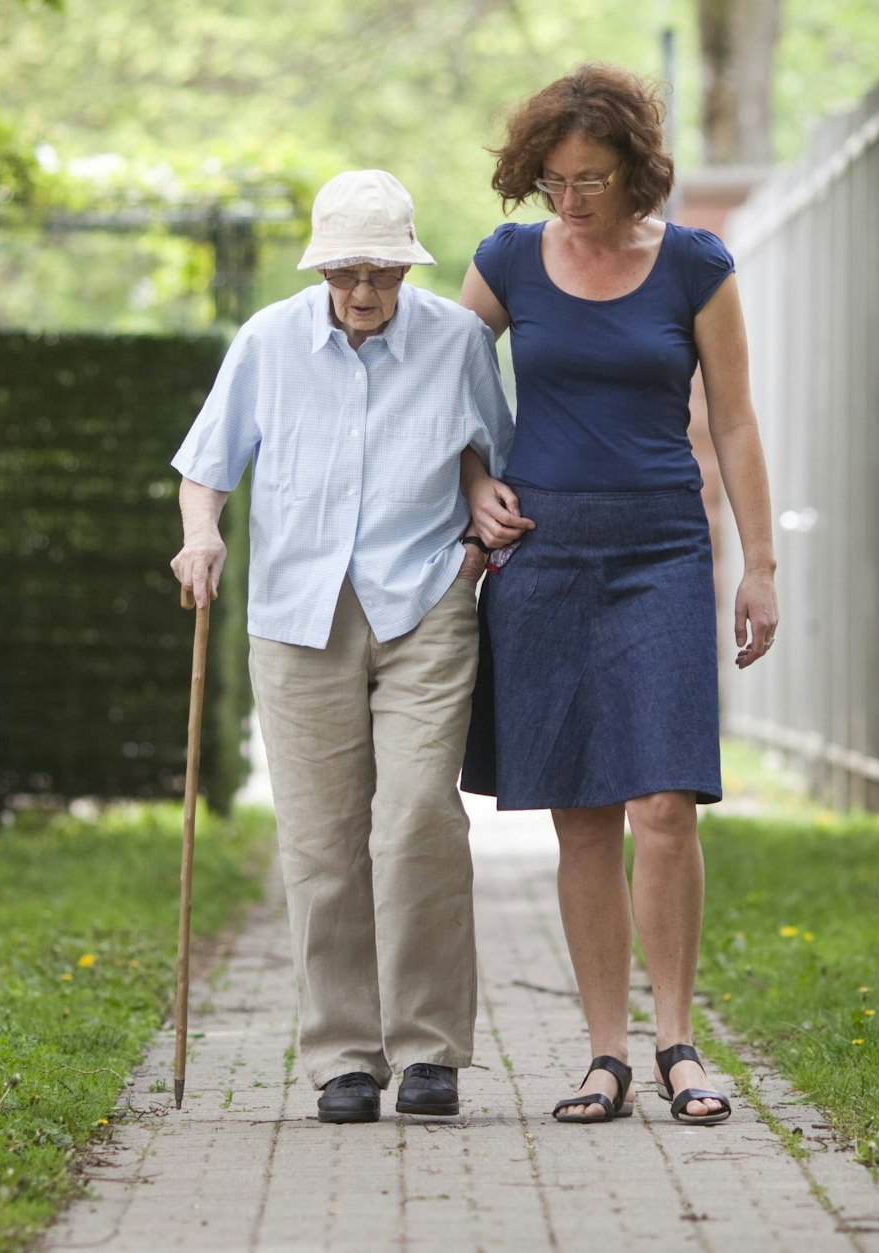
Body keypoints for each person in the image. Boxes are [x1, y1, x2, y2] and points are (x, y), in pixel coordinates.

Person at [457, 64, 779, 1126]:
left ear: (634, 169)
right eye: (551, 180)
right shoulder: (507, 261)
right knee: (583, 818)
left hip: (659, 552)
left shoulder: (693, 265)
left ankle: (677, 1039)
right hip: (542, 557)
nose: (570, 198)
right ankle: (604, 1054)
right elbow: (441, 392)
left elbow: (731, 422)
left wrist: (761, 564)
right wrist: (473, 485)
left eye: (590, 177)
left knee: (664, 803)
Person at [169, 169, 513, 1124]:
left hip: (425, 601)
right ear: (322, 266)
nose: (366, 290)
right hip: (297, 616)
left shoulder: (457, 341)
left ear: (409, 265)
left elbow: (494, 452)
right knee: (321, 842)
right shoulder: (268, 343)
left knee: (416, 821)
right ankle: (343, 1057)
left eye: (385, 270)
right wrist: (203, 533)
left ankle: (432, 1049)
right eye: (349, 270)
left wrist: (481, 510)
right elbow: (205, 470)